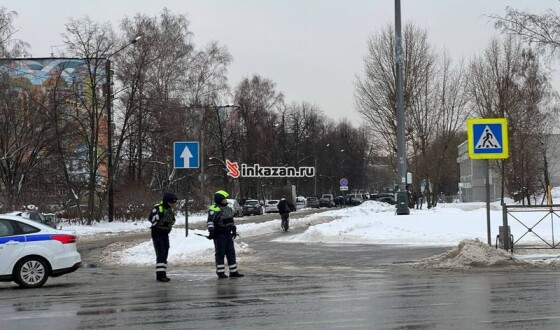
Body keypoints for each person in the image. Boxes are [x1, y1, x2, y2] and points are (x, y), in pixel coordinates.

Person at [207, 190, 244, 279]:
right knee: (220, 254)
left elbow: (231, 220)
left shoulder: (228, 208)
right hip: (219, 235)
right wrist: (211, 231)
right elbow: (210, 222)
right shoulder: (214, 209)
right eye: (223, 199)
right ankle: (220, 272)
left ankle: (233, 272)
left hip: (228, 234)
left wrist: (233, 229)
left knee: (231, 253)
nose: (225, 200)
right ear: (219, 200)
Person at [148, 192, 178, 282]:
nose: (171, 204)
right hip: (157, 233)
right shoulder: (158, 208)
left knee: (165, 253)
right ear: (166, 201)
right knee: (161, 253)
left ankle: (163, 273)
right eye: (170, 203)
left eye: (173, 203)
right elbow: (151, 218)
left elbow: (172, 220)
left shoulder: (169, 210)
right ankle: (160, 276)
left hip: (165, 234)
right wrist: (158, 216)